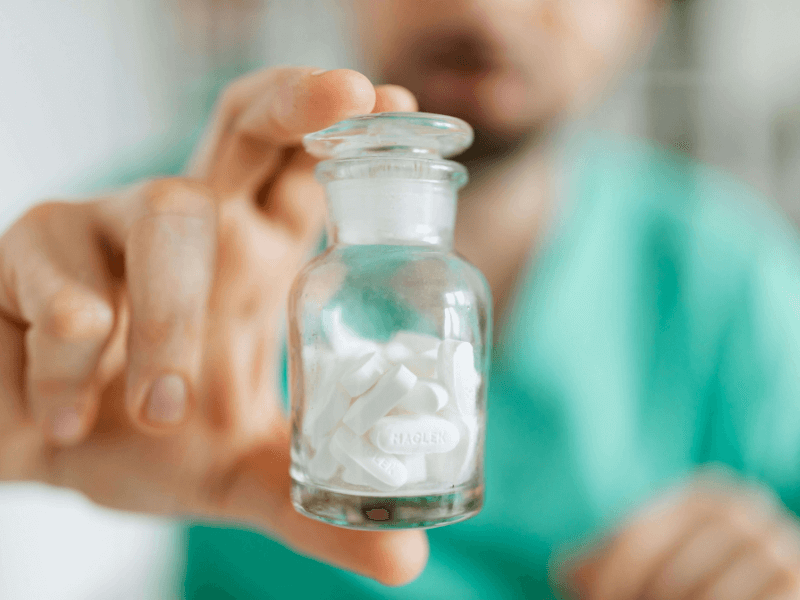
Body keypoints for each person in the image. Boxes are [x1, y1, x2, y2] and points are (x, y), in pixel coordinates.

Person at [1, 0, 799, 598]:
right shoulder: (180, 231)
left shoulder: (743, 285)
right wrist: (28, 425)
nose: (487, 6)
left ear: (647, 13)